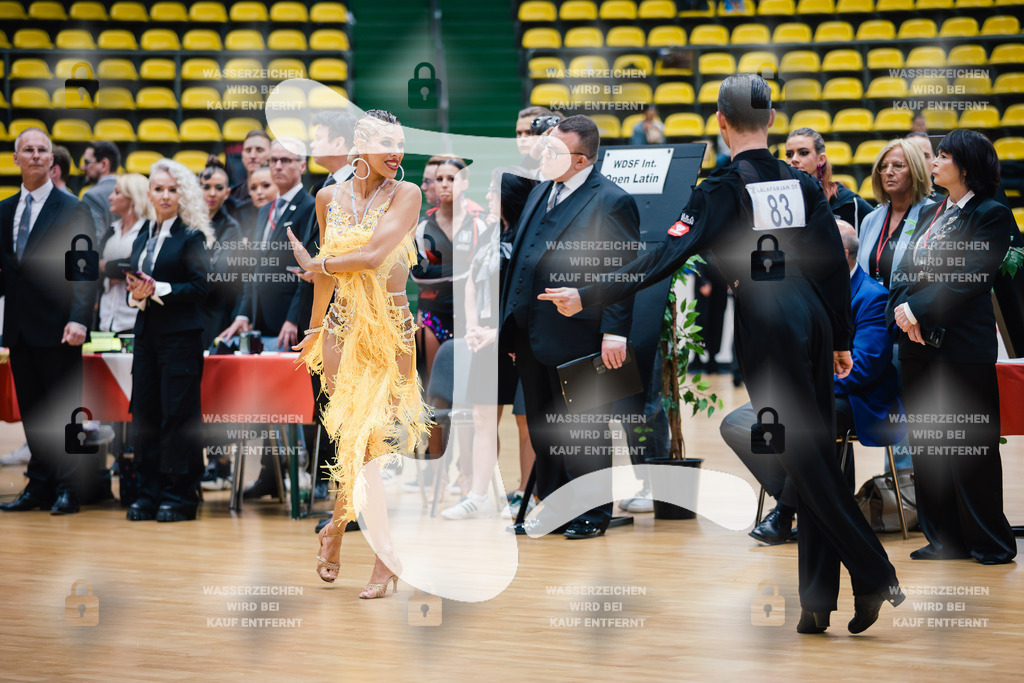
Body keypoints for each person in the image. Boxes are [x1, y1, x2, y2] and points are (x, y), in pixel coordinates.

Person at [541, 75, 903, 633]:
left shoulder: (720, 188)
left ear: (720, 122)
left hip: (766, 324)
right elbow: (833, 264)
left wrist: (589, 293)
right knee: (813, 456)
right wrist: (837, 338)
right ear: (773, 119)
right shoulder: (802, 183)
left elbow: (662, 255)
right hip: (808, 319)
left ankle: (874, 573)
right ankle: (816, 603)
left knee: (802, 460)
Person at [286, 109, 428, 597]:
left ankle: (345, 538)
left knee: (376, 447)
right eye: (386, 143)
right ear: (359, 146)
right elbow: (326, 278)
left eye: (401, 144)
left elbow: (368, 257)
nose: (396, 153)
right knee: (354, 444)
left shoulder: (407, 194)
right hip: (341, 330)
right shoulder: (327, 197)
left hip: (391, 331)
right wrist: (313, 326)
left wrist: (318, 261)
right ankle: (364, 547)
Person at [500, 115, 642, 540]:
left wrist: (615, 333)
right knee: (545, 428)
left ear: (580, 160)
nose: (545, 155)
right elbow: (521, 260)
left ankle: (593, 512)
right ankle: (556, 505)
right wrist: (512, 327)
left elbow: (624, 270)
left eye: (555, 151)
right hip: (530, 333)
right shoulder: (541, 191)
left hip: (582, 332)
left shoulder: (612, 200)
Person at [723, 221, 906, 544]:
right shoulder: (808, 290)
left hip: (858, 399)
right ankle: (818, 502)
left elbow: (862, 368)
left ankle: (785, 513)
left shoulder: (873, 297)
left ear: (840, 255)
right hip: (804, 393)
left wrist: (806, 389)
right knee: (736, 424)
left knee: (802, 422)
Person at [887, 129, 1017, 565]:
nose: (935, 162)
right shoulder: (932, 212)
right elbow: (903, 268)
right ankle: (944, 539)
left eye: (943, 156)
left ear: (966, 165)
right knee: (928, 447)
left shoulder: (992, 214)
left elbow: (971, 276)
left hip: (961, 347)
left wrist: (917, 311)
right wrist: (903, 313)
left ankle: (989, 542)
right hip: (918, 346)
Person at [0, 127, 93, 515]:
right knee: (35, 413)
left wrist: (79, 319)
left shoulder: (72, 207)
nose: (37, 155)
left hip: (60, 327)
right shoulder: (4, 210)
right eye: (29, 149)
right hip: (19, 329)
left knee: (66, 411)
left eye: (43, 150)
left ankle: (71, 487)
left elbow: (83, 270)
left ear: (52, 160)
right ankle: (39, 485)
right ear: (16, 158)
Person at [221, 139, 316, 498]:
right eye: (273, 160)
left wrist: (295, 316)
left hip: (294, 320)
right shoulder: (264, 210)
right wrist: (244, 312)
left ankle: (318, 476)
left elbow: (307, 268)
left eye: (286, 160)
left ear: (302, 165)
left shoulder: (310, 207)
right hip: (261, 319)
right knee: (267, 400)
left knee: (303, 398)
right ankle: (269, 475)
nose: (277, 166)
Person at [440, 169, 537, 520]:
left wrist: (500, 333)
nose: (488, 197)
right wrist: (473, 327)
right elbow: (469, 284)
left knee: (526, 422)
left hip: (519, 342)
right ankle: (478, 495)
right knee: (483, 419)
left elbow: (528, 296)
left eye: (494, 191)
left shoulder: (531, 236)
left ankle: (528, 495)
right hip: (484, 341)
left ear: (512, 195)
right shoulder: (488, 232)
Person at [123, 159, 210, 522]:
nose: (165, 195)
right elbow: (134, 282)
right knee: (144, 413)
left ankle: (179, 494)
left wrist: (156, 288)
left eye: (172, 189)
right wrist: (137, 293)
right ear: (149, 193)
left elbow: (201, 287)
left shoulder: (192, 236)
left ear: (182, 194)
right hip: (146, 334)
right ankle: (148, 490)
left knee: (177, 415)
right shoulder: (144, 232)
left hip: (181, 337)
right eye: (158, 189)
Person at [858, 138, 933, 291]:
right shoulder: (870, 219)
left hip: (911, 311)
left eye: (898, 166)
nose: (889, 172)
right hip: (873, 311)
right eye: (884, 166)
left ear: (915, 170)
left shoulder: (934, 216)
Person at [786, 127, 874, 229]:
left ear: (821, 159)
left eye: (803, 153)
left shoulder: (847, 202)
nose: (794, 159)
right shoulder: (782, 202)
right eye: (789, 154)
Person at [198, 156, 243, 348]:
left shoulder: (231, 227)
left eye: (218, 188)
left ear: (227, 192)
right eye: (206, 187)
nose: (212, 193)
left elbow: (219, 274)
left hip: (215, 311)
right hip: (188, 310)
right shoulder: (186, 224)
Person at [98, 173, 151, 334]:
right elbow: (90, 266)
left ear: (132, 198)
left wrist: (106, 266)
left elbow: (135, 266)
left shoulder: (148, 229)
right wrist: (114, 269)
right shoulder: (112, 229)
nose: (110, 197)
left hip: (132, 319)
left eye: (117, 192)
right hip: (106, 319)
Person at [224, 129, 271, 230]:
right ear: (242, 156)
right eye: (248, 150)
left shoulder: (281, 198)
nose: (252, 156)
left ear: (271, 155)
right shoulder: (230, 198)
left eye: (259, 150)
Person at [81, 141, 121, 242]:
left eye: (87, 162)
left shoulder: (91, 196)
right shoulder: (131, 191)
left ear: (104, 164)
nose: (83, 167)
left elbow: (94, 241)